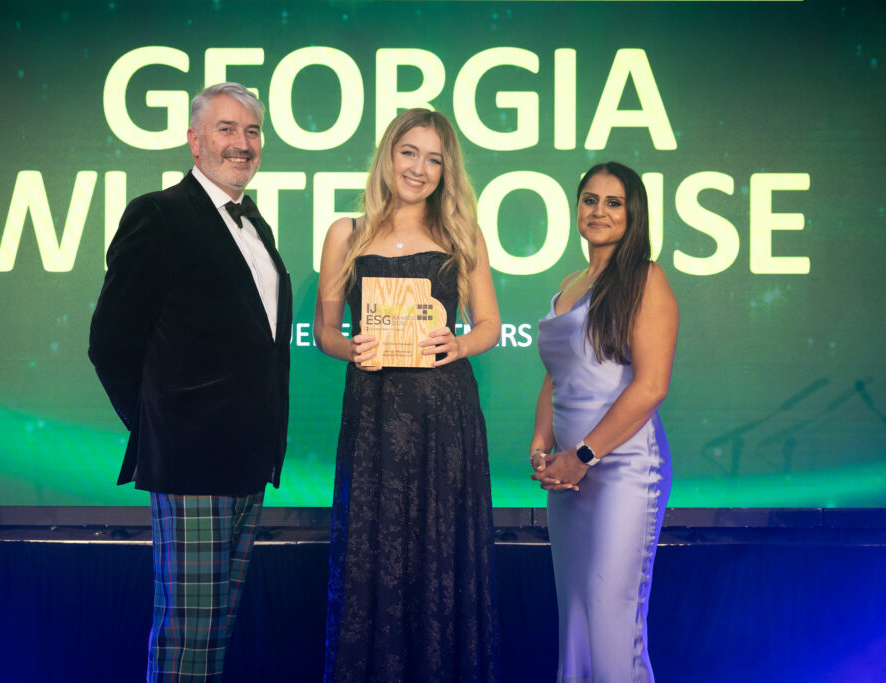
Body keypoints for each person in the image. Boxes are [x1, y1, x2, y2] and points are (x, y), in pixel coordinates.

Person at [88, 82, 292, 681]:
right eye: (226, 129)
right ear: (194, 140)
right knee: (186, 637)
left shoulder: (254, 224)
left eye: (252, 131)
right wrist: (165, 428)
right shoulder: (159, 214)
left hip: (248, 461)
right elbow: (110, 342)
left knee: (212, 632)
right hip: (191, 463)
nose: (242, 143)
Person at [314, 108, 502, 682]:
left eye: (434, 159)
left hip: (444, 416)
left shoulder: (462, 234)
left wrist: (459, 344)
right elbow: (325, 332)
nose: (419, 169)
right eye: (409, 152)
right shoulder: (345, 232)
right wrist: (353, 350)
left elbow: (490, 324)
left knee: (441, 553)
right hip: (373, 416)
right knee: (375, 554)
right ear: (388, 154)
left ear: (447, 170)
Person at [529, 161, 678, 682]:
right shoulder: (571, 283)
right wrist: (542, 447)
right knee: (578, 625)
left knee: (613, 623)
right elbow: (556, 378)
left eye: (613, 203)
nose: (598, 211)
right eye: (589, 199)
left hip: (623, 473)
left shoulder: (645, 278)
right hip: (569, 482)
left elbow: (651, 387)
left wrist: (584, 455)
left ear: (632, 213)